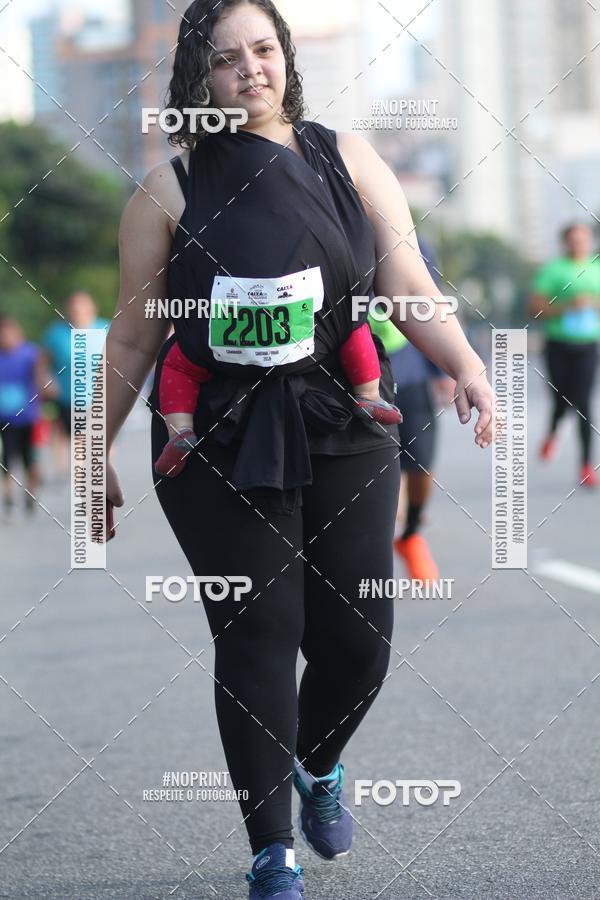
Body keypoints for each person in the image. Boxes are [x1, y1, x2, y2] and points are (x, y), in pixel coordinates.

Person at [104, 2, 494, 896]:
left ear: (285, 58)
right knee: (258, 634)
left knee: (358, 640)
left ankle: (317, 764)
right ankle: (270, 851)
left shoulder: (347, 158)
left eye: (263, 51)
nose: (250, 70)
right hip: (217, 438)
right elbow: (132, 342)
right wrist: (97, 453)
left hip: (347, 423)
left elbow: (408, 283)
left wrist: (467, 365)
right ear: (197, 77)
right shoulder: (168, 190)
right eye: (226, 59)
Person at [155, 321, 402, 477]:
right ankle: (368, 395)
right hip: (306, 314)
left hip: (225, 320)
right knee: (352, 325)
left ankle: (180, 430)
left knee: (181, 363)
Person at [371, 239, 456, 583]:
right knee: (371, 471)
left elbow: (429, 300)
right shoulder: (333, 225)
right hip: (354, 375)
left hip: (411, 370)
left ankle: (411, 535)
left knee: (421, 465)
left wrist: (446, 368)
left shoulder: (414, 243)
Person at [530, 222, 600, 488]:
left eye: (583, 239)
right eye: (573, 240)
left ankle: (585, 466)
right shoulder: (553, 270)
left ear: (590, 241)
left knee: (583, 403)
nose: (578, 244)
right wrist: (568, 306)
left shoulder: (596, 269)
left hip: (588, 345)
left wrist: (592, 304)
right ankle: (551, 433)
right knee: (562, 399)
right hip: (558, 344)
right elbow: (535, 308)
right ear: (565, 243)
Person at [42, 292, 109, 472]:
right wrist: (46, 381)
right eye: (74, 307)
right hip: (68, 396)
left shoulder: (105, 329)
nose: (78, 311)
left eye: (83, 307)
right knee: (75, 437)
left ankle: (101, 472)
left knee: (101, 437)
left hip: (100, 396)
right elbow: (43, 363)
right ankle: (80, 475)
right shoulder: (56, 333)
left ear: (92, 308)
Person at [0, 315, 50, 513]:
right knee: (6, 458)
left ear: (19, 334)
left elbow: (42, 378)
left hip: (28, 417)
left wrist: (46, 387)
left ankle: (30, 491)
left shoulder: (30, 354)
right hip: (4, 418)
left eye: (10, 334)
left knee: (29, 458)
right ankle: (9, 495)